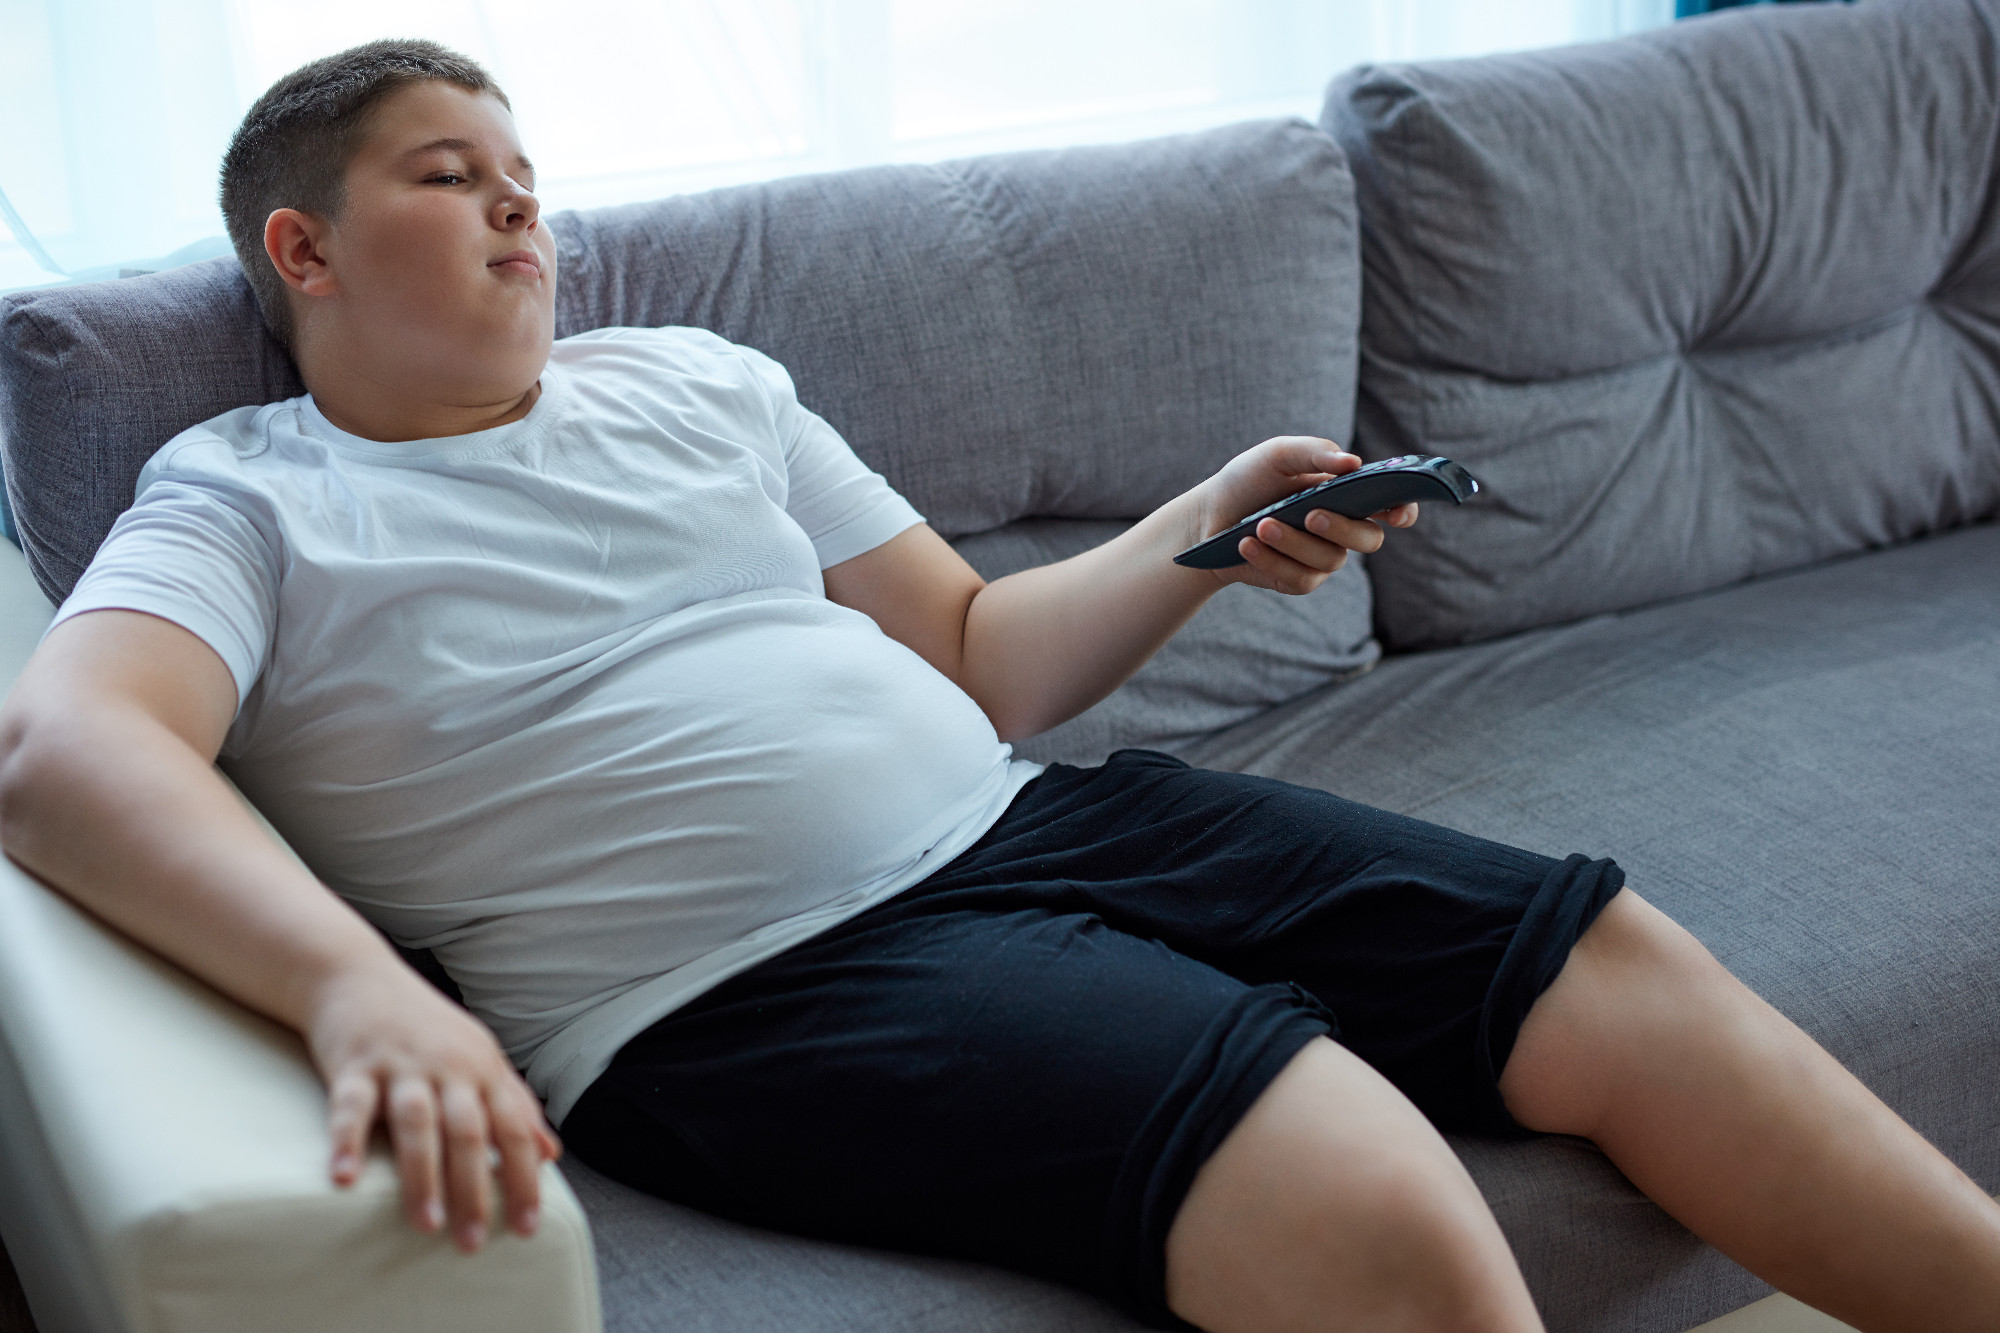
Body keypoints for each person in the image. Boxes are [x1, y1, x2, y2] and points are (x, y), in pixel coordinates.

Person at [1, 39, 1996, 1333]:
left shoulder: (698, 383)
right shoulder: (249, 492)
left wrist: (1205, 524)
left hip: (1037, 821)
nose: (527, 204)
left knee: (1607, 962)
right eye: (453, 176)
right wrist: (352, 982)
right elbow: (67, 752)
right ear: (306, 246)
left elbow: (972, 653)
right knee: (1376, 1207)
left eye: (529, 169)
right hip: (741, 986)